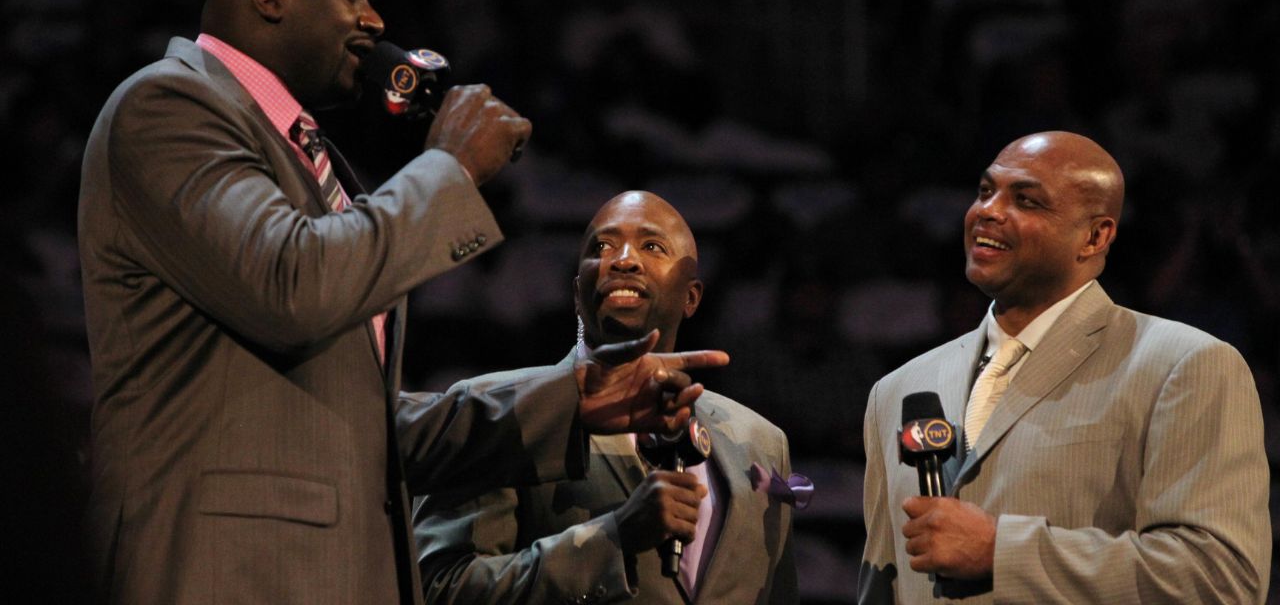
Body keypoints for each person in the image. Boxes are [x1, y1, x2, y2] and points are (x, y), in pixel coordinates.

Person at [78, 0, 724, 605]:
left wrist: (569, 400)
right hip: (230, 573)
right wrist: (448, 168)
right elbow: (295, 286)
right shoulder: (169, 106)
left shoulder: (307, 156)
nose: (376, 21)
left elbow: (368, 428)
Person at [858, 131, 1271, 603]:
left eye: (1027, 201)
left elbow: (1220, 580)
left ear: (1095, 236)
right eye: (985, 191)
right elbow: (881, 586)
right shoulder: (898, 388)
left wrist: (1002, 550)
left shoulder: (1185, 365)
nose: (988, 211)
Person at [414, 191, 802, 604]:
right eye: (602, 246)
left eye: (652, 246)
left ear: (692, 297)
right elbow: (439, 588)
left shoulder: (761, 441)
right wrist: (613, 538)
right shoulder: (497, 410)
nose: (623, 260)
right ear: (578, 293)